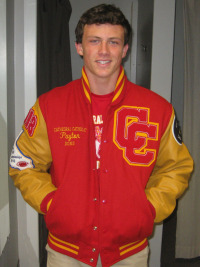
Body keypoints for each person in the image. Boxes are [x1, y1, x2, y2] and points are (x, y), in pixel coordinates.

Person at [9, 4, 193, 267]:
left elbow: (177, 167)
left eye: (113, 42)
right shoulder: (51, 105)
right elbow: (23, 163)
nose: (104, 51)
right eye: (94, 41)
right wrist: (52, 203)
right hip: (65, 252)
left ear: (125, 49)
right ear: (79, 47)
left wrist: (149, 208)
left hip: (129, 253)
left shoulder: (158, 109)